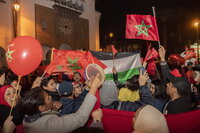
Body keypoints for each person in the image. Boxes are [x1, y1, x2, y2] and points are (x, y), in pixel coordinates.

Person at [19, 74, 102, 133]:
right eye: (48, 98)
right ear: (41, 108)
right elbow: (79, 118)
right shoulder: (47, 127)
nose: (51, 98)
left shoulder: (29, 113)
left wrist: (50, 107)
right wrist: (94, 87)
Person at [159, 45, 192, 114]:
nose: (167, 84)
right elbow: (167, 77)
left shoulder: (179, 108)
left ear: (174, 89)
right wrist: (162, 58)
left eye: (169, 84)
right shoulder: (173, 100)